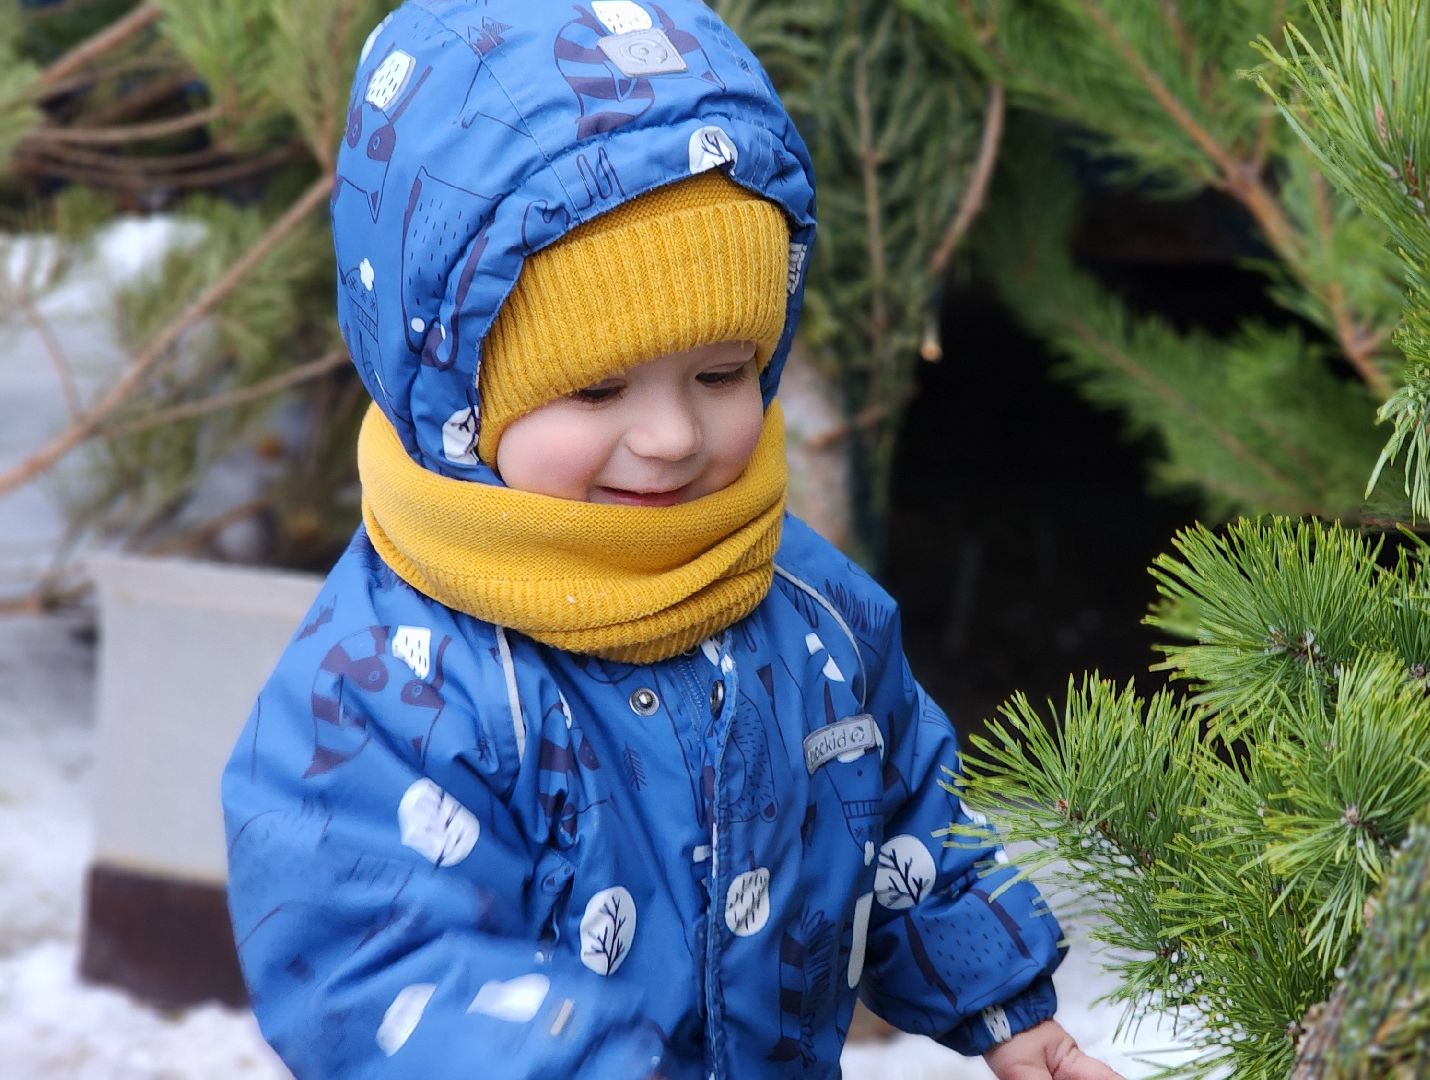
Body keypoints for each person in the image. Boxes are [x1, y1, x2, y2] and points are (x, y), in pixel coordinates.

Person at [221, 2, 1125, 1078]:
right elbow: (379, 960)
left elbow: (896, 807)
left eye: (722, 373)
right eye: (596, 388)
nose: (670, 436)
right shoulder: (388, 684)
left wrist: (1003, 1002)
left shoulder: (801, 604)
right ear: (459, 390)